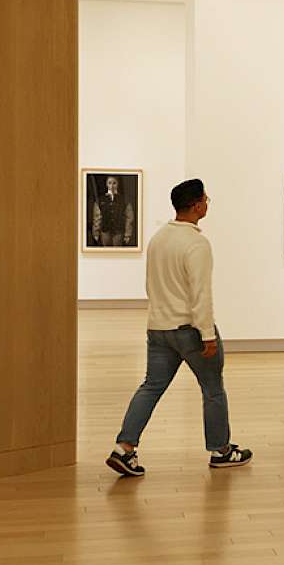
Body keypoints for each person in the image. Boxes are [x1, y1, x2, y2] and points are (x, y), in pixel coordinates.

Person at [106, 179, 252, 476]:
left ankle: (124, 448)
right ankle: (221, 450)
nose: (207, 203)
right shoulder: (197, 243)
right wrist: (207, 334)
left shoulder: (158, 238)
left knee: (150, 387)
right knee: (212, 390)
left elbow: (151, 285)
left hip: (158, 328)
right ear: (197, 205)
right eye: (206, 199)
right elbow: (201, 294)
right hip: (189, 330)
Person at [92, 175, 135, 247]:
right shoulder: (100, 200)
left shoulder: (124, 200)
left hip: (118, 233)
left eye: (114, 183)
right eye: (109, 183)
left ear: (117, 184)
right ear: (106, 184)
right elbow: (97, 218)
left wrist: (127, 234)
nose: (112, 186)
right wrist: (96, 233)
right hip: (105, 232)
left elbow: (129, 218)